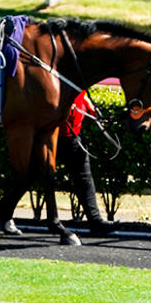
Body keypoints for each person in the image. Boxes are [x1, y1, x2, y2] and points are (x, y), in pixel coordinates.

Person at [56, 91, 113, 236]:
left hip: (73, 133)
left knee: (84, 178)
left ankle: (96, 222)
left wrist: (86, 102)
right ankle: (2, 212)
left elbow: (78, 90)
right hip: (53, 135)